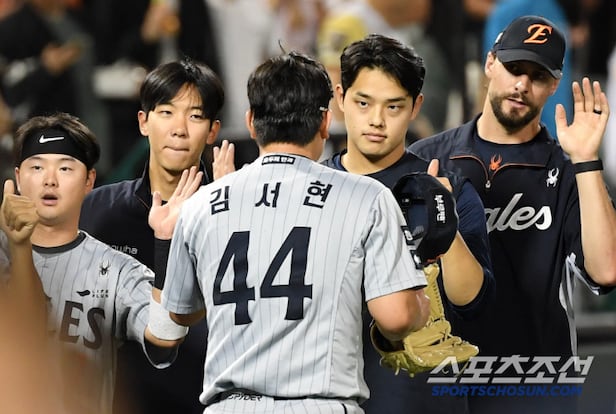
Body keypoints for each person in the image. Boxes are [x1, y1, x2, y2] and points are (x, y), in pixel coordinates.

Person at [148, 51, 431, 413]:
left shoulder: (202, 203)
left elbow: (180, 314)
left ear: (251, 123)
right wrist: (420, 307)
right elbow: (397, 319)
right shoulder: (367, 196)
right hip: (320, 405)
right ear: (325, 122)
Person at [410, 15, 616, 414]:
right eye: (514, 67)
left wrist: (586, 160)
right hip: (443, 383)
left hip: (535, 384)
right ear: (491, 63)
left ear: (554, 85)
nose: (522, 84)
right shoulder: (429, 159)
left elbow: (606, 270)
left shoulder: (569, 171)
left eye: (537, 76)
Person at [321, 33, 494, 414]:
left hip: (426, 399)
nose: (377, 120)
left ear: (416, 107)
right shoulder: (310, 189)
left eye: (394, 106)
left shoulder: (448, 188)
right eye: (363, 103)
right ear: (340, 98)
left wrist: (442, 222)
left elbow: (473, 303)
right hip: (331, 398)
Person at [0, 112, 199, 413]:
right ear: (17, 177)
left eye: (65, 168)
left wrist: (165, 242)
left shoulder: (116, 269)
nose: (50, 180)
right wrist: (18, 246)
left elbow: (166, 335)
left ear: (89, 181)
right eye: (37, 167)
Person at [79, 58, 227, 413]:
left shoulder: (235, 213)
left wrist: (227, 214)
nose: (179, 129)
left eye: (195, 116)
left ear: (213, 131)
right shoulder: (98, 210)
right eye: (166, 113)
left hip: (210, 401)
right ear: (144, 122)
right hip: (120, 400)